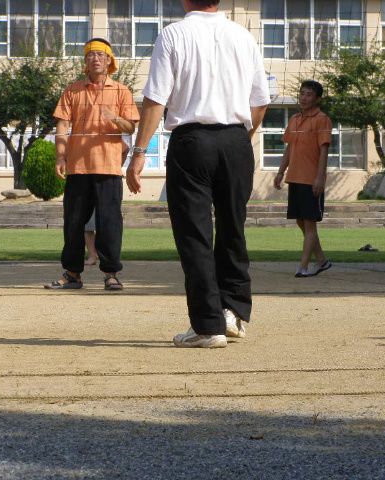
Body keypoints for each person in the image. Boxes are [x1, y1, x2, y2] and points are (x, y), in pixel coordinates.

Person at [126, 0, 270, 348]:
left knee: (195, 233)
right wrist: (238, 139)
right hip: (237, 138)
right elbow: (261, 99)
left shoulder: (174, 34)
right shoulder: (242, 35)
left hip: (193, 140)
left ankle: (208, 326)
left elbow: (155, 98)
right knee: (233, 227)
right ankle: (233, 313)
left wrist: (139, 151)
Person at [45, 38, 140, 291]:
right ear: (85, 62)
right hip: (77, 167)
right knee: (73, 222)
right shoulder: (72, 90)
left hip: (109, 166)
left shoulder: (121, 91)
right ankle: (72, 274)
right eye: (90, 55)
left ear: (109, 61)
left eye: (101, 55)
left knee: (109, 223)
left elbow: (131, 126)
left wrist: (116, 118)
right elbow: (62, 126)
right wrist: (60, 157)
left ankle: (111, 274)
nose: (95, 59)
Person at [274, 80, 333, 278]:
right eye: (302, 94)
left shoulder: (322, 119)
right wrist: (280, 172)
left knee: (309, 224)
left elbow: (323, 150)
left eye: (309, 95)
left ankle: (303, 267)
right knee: (300, 221)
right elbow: (289, 148)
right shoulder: (295, 119)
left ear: (317, 99)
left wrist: (319, 178)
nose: (304, 98)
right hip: (295, 177)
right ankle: (322, 261)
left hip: (311, 179)